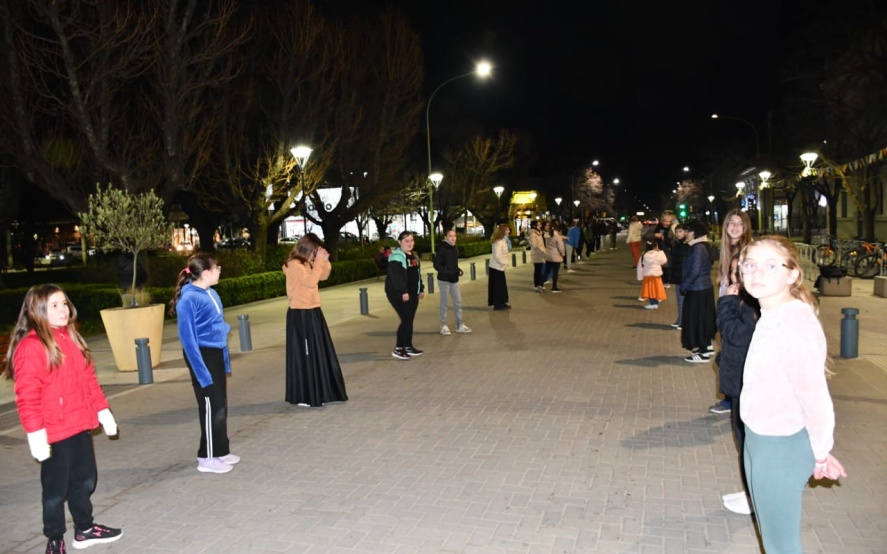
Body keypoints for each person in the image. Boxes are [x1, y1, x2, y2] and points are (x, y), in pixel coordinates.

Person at [739, 236, 846, 552]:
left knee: (781, 545)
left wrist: (821, 451)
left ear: (792, 274)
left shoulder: (793, 323)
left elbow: (815, 396)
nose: (757, 273)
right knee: (772, 537)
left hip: (780, 446)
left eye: (771, 266)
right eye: (750, 264)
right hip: (760, 439)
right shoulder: (773, 313)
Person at [3, 285, 123, 553]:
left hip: (80, 423)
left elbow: (89, 380)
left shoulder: (71, 336)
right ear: (37, 311)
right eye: (54, 305)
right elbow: (27, 396)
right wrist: (36, 435)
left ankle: (85, 529)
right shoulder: (32, 346)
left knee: (85, 480)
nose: (63, 310)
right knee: (55, 491)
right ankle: (55, 538)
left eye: (64, 303)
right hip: (55, 431)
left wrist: (103, 411)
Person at [168, 254, 240, 474]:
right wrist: (201, 373)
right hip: (201, 356)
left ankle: (221, 450)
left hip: (215, 354)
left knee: (220, 404)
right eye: (217, 268)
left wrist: (224, 360)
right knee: (210, 406)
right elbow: (188, 340)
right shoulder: (189, 299)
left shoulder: (211, 292)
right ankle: (207, 456)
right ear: (206, 273)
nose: (220, 271)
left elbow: (217, 326)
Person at [715, 253, 760, 515]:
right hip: (740, 379)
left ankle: (756, 497)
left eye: (740, 270)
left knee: (749, 442)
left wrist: (727, 302)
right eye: (734, 271)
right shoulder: (746, 300)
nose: (736, 277)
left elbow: (735, 334)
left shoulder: (752, 304)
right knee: (742, 439)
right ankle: (750, 491)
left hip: (750, 384)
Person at [282, 234, 348, 407]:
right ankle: (305, 395)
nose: (315, 255)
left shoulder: (307, 263)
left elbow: (323, 276)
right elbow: (311, 282)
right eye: (314, 251)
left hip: (313, 311)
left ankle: (321, 391)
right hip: (300, 313)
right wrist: (318, 261)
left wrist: (324, 261)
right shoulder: (294, 264)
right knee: (305, 354)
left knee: (318, 352)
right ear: (307, 249)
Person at [710, 209, 754, 414]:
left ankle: (735, 401)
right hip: (731, 301)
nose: (735, 227)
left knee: (734, 354)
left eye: (740, 223)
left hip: (740, 305)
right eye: (731, 223)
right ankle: (732, 398)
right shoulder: (728, 249)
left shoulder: (746, 251)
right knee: (727, 354)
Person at [680, 219, 716, 363]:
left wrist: (685, 285)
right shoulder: (701, 246)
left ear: (695, 233)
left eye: (688, 231)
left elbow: (695, 270)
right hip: (702, 288)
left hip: (697, 289)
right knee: (702, 318)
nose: (686, 233)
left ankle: (703, 353)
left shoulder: (698, 248)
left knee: (698, 319)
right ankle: (706, 346)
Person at [386, 231, 425, 359]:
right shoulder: (396, 257)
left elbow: (416, 274)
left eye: (411, 240)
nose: (410, 243)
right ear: (399, 242)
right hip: (398, 293)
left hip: (412, 292)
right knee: (406, 319)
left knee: (409, 320)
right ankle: (399, 348)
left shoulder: (413, 256)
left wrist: (420, 288)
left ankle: (407, 346)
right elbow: (396, 277)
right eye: (406, 241)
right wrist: (403, 291)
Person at [434, 228, 472, 335]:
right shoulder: (442, 248)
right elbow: (436, 264)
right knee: (444, 303)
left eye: (454, 236)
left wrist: (457, 270)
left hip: (454, 279)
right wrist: (447, 271)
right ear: (445, 237)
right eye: (450, 236)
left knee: (458, 302)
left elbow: (453, 263)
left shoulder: (454, 248)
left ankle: (459, 324)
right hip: (444, 280)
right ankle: (443, 325)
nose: (453, 238)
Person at [668, 224, 689, 330]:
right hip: (677, 275)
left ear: (686, 232)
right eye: (676, 232)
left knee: (683, 300)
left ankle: (683, 322)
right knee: (679, 299)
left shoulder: (687, 245)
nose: (678, 234)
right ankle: (680, 319)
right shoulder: (677, 243)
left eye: (680, 231)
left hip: (683, 276)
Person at [637, 240, 667, 309]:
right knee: (657, 289)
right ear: (656, 247)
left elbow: (640, 267)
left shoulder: (644, 255)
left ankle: (653, 303)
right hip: (656, 276)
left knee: (650, 290)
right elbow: (664, 261)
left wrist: (639, 277)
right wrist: (661, 252)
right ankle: (655, 302)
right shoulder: (658, 254)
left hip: (648, 276)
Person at [488, 224, 511, 309]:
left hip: (500, 268)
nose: (509, 231)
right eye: (507, 230)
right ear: (503, 231)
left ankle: (502, 302)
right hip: (496, 267)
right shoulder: (498, 242)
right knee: (497, 287)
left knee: (501, 287)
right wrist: (504, 263)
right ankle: (497, 304)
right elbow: (497, 256)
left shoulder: (502, 240)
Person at [653, 211, 677, 288]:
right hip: (657, 250)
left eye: (669, 221)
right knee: (658, 266)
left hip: (667, 250)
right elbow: (646, 236)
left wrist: (668, 240)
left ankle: (666, 281)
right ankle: (659, 281)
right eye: (666, 221)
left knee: (667, 266)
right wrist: (655, 235)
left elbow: (673, 239)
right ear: (662, 221)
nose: (667, 223)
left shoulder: (671, 228)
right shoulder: (656, 228)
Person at [543, 220, 565, 293]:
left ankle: (540, 284)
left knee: (547, 271)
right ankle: (554, 287)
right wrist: (563, 253)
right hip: (556, 255)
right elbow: (560, 246)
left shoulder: (547, 235)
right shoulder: (557, 236)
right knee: (555, 272)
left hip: (548, 255)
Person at [528, 220, 546, 292]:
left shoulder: (539, 233)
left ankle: (540, 284)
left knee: (540, 270)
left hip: (541, 254)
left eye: (540, 224)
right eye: (538, 225)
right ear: (534, 226)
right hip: (537, 254)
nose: (540, 226)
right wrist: (542, 251)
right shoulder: (533, 234)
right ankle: (537, 285)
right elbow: (535, 245)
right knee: (538, 271)